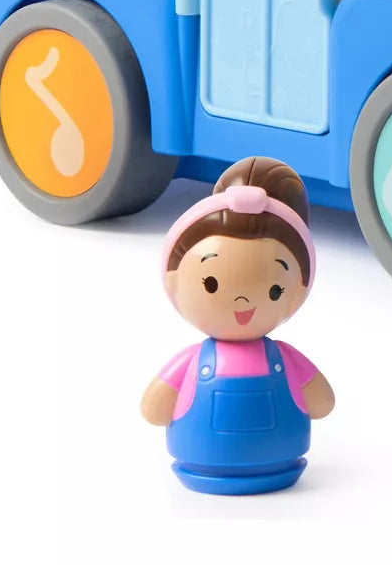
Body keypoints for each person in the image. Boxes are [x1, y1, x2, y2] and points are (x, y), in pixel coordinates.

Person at [140, 157, 335, 494]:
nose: (244, 303)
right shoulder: (195, 362)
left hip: (283, 467)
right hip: (200, 469)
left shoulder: (282, 359)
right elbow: (322, 403)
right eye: (211, 284)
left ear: (299, 289)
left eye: (274, 290)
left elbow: (153, 411)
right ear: (173, 281)